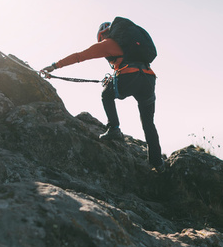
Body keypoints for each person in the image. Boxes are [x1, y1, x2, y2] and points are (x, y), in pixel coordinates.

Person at [40, 19, 165, 172]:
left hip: (130, 76)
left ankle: (114, 128)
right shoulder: (130, 44)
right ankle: (157, 163)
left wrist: (54, 66)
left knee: (106, 95)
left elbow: (80, 56)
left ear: (101, 35)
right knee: (148, 123)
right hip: (148, 78)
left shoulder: (107, 44)